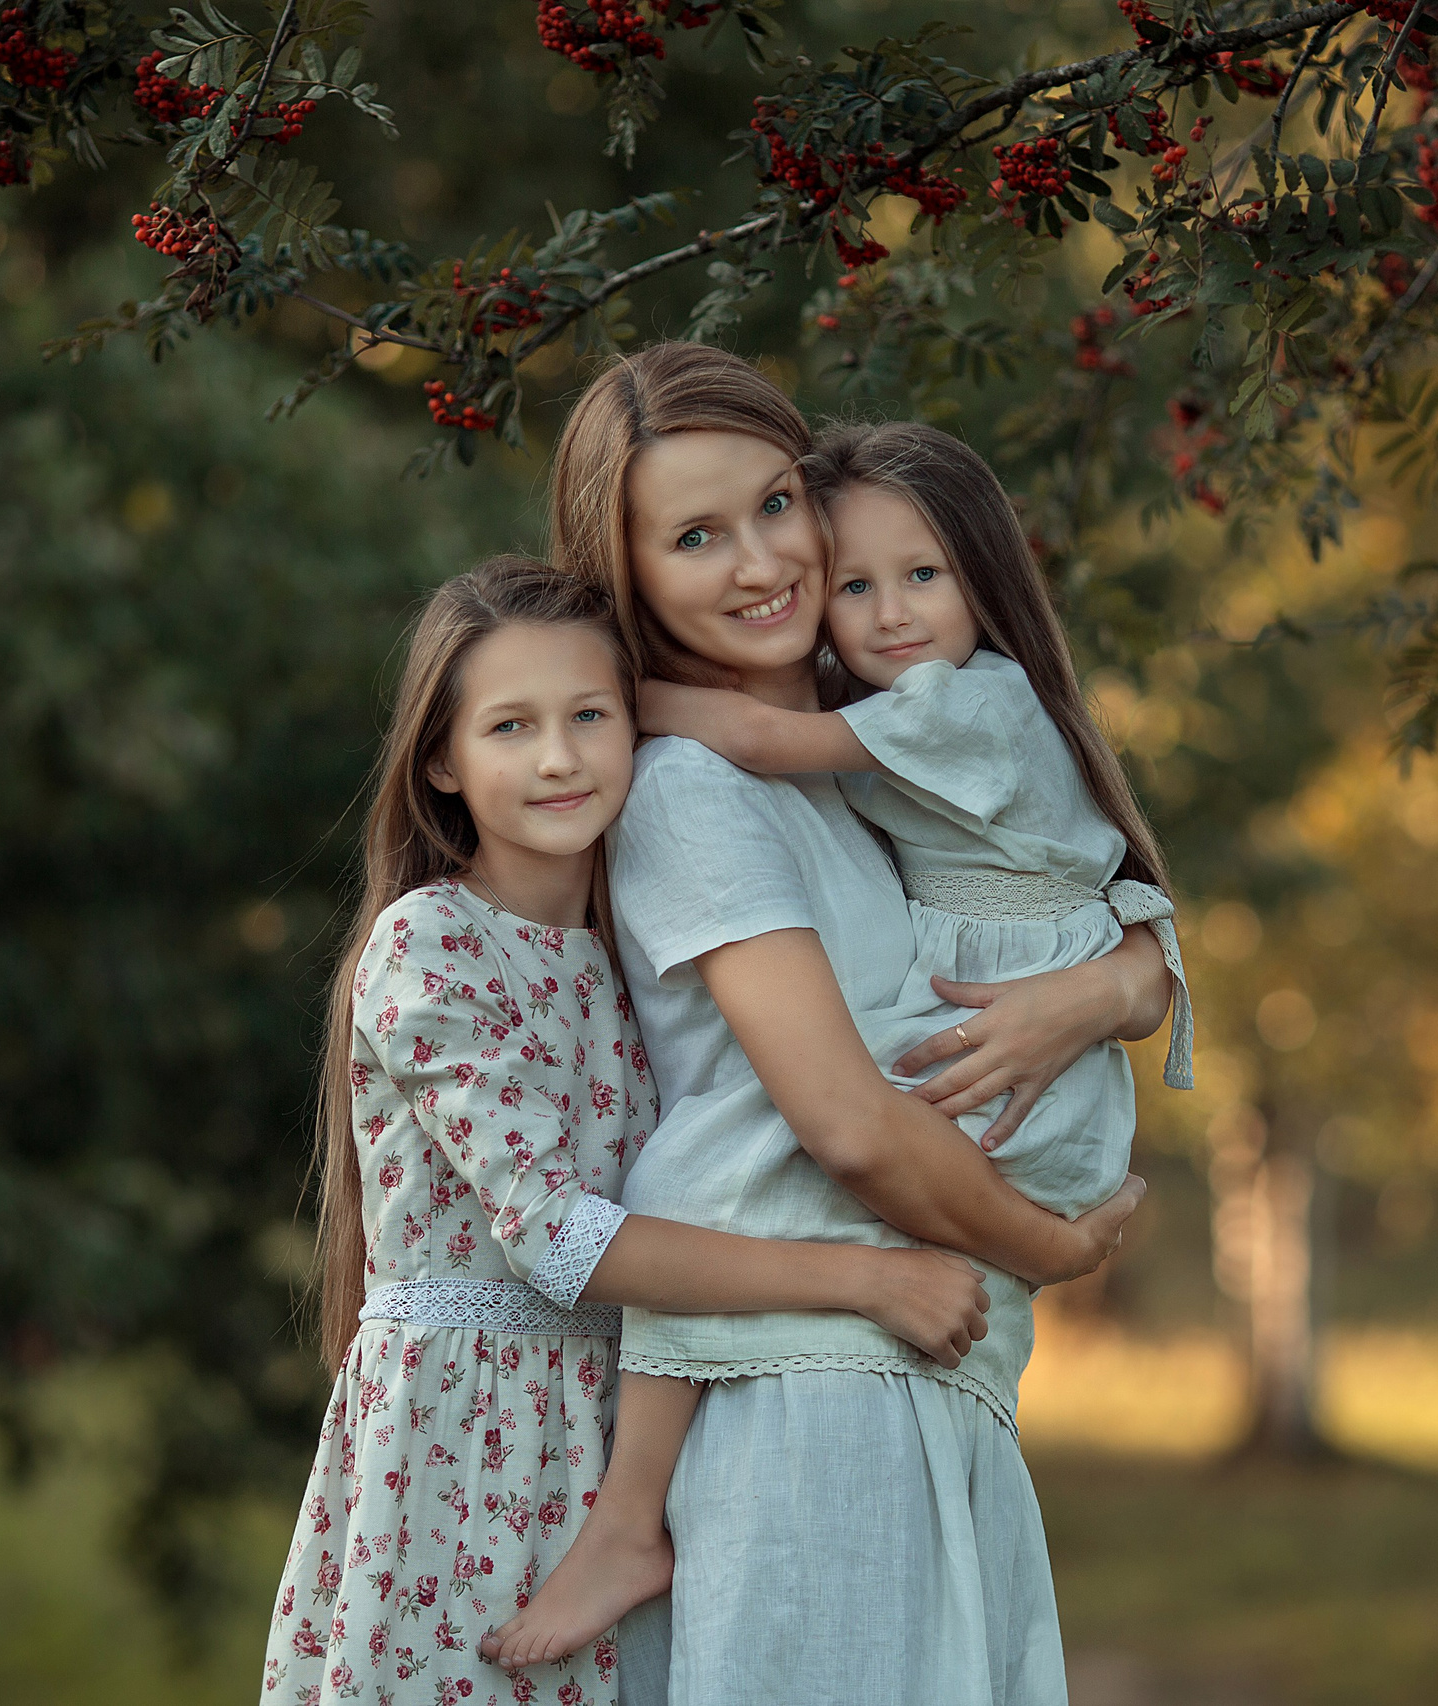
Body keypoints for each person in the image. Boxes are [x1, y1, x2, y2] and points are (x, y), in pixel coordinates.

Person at [490, 345, 1176, 1705]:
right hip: (815, 1400)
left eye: (776, 504)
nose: (761, 562)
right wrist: (1051, 1245)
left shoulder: (878, 771)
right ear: (631, 575)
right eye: (696, 536)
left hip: (914, 1374)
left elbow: (1079, 884)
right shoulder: (691, 789)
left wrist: (1118, 984)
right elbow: (851, 1126)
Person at [263, 555, 1045, 1706]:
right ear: (442, 759)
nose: (558, 756)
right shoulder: (428, 943)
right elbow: (557, 1239)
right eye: (510, 726)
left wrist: (1120, 977)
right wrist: (864, 1280)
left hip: (629, 1426)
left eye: (591, 715)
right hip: (464, 1439)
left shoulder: (639, 948)